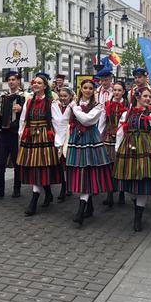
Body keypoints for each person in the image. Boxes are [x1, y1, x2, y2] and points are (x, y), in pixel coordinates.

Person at [114, 86, 151, 232]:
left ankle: (138, 218)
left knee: (142, 182)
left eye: (149, 97)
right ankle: (137, 206)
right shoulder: (126, 114)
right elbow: (120, 132)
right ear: (137, 97)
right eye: (145, 96)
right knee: (130, 183)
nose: (148, 99)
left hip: (145, 149)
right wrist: (117, 149)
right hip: (128, 150)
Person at [17, 72, 65, 216]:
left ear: (45, 86)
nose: (35, 85)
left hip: (45, 137)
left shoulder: (51, 102)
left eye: (39, 83)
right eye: (34, 82)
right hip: (31, 137)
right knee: (35, 168)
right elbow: (23, 120)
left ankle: (33, 202)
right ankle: (48, 193)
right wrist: (21, 135)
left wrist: (59, 143)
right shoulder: (28, 101)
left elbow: (59, 123)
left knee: (41, 167)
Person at [65, 79, 111, 226]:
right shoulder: (74, 104)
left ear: (93, 91)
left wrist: (75, 107)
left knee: (88, 170)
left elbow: (87, 120)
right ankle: (88, 206)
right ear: (81, 89)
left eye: (90, 88)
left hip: (91, 139)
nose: (87, 90)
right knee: (81, 171)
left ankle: (81, 211)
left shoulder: (98, 106)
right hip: (77, 139)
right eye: (85, 87)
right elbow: (63, 121)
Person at [0, 72, 25, 200]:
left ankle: (17, 189)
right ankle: (0, 190)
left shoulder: (25, 96)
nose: (11, 82)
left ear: (18, 81)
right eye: (9, 80)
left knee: (17, 162)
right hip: (3, 132)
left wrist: (21, 109)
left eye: (13, 79)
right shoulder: (3, 96)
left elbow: (28, 112)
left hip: (16, 134)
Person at [100, 81, 128, 207]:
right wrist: (99, 136)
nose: (116, 92)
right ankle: (110, 194)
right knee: (109, 165)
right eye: (115, 90)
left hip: (122, 137)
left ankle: (121, 192)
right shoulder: (107, 104)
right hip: (109, 137)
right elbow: (102, 121)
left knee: (121, 165)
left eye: (119, 90)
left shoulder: (128, 105)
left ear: (123, 92)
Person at [56, 86, 75, 202]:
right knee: (60, 163)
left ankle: (68, 186)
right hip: (59, 136)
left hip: (69, 136)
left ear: (70, 97)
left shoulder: (73, 108)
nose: (63, 98)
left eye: (65, 96)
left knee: (68, 163)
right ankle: (63, 186)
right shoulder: (56, 106)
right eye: (61, 96)